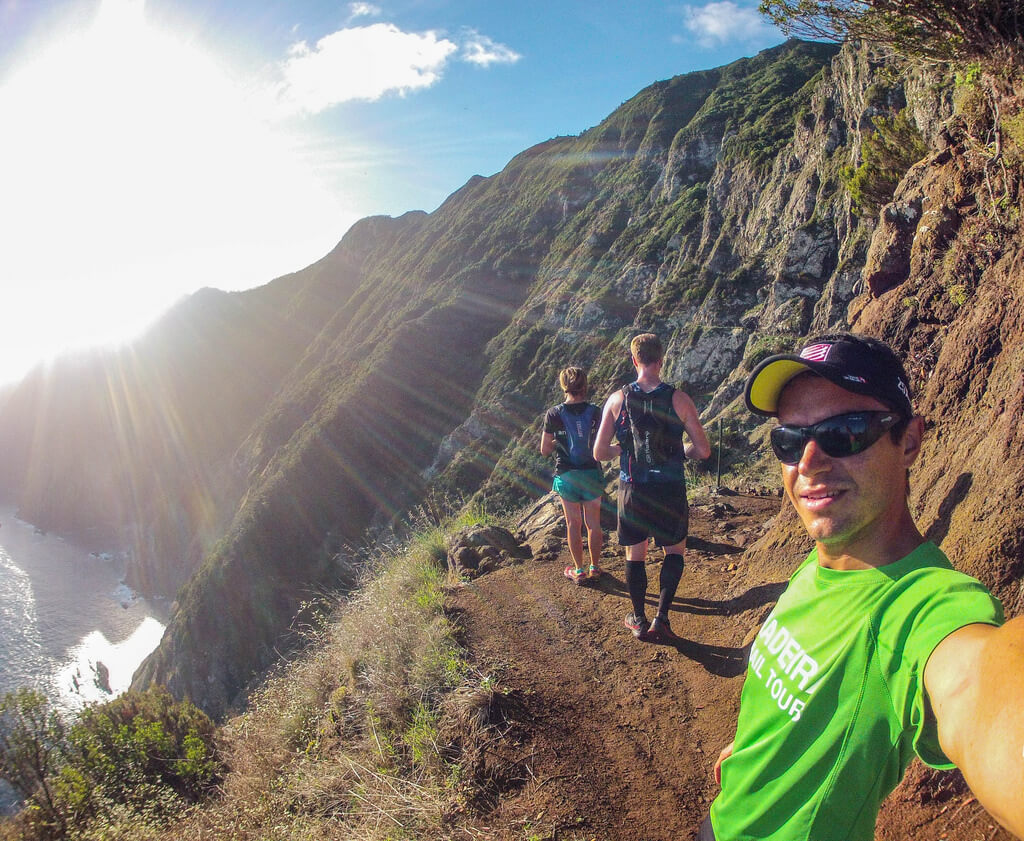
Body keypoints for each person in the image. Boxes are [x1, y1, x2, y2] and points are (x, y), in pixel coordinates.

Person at [703, 332, 1024, 841]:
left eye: (845, 432)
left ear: (909, 441)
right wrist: (754, 753)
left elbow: (979, 687)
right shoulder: (825, 562)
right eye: (789, 440)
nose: (808, 461)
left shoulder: (919, 607)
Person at [592, 333, 711, 641]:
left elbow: (599, 452)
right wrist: (682, 451)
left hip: (633, 488)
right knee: (674, 550)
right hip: (670, 487)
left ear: (634, 360)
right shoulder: (679, 399)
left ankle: (638, 619)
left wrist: (621, 449)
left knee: (636, 553)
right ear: (661, 360)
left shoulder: (617, 400)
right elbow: (703, 450)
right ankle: (662, 618)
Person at [540, 366, 605, 584]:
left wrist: (559, 441)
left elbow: (545, 449)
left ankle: (579, 570)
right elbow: (603, 442)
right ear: (585, 385)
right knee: (593, 524)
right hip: (591, 472)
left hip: (567, 474)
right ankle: (595, 566)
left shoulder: (553, 413)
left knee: (573, 524)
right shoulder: (595, 412)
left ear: (564, 386)